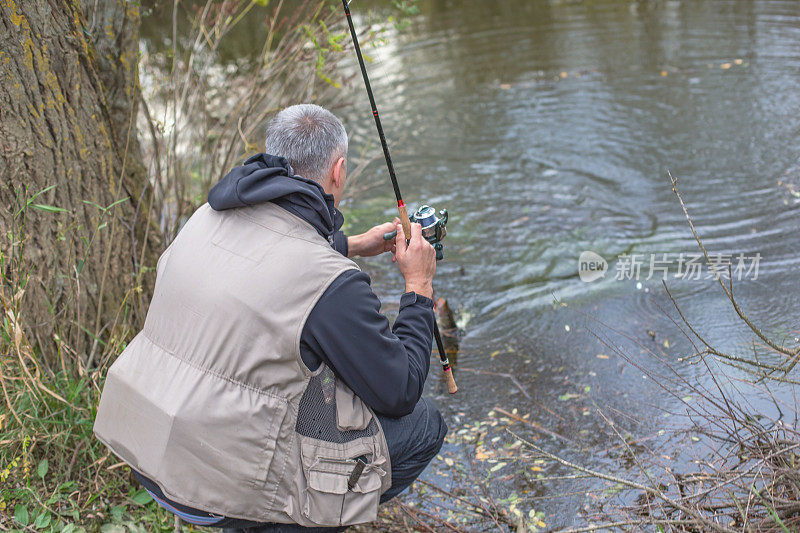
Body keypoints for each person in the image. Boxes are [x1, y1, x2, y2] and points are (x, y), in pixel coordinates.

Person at [93, 104, 447, 531]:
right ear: (338, 171)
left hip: (147, 451)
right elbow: (400, 390)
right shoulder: (332, 283)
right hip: (218, 490)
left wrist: (349, 244)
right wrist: (418, 289)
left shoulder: (206, 218)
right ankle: (285, 518)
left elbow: (266, 262)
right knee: (423, 425)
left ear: (274, 155)